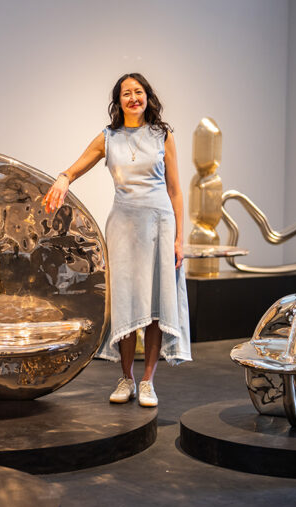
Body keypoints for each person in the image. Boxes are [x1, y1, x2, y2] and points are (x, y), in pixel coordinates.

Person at [43, 73, 192, 407]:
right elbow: (75, 168)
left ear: (147, 97)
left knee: (155, 306)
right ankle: (125, 379)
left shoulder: (162, 135)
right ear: (118, 100)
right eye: (126, 93)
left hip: (159, 224)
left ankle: (148, 381)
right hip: (123, 225)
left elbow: (176, 191)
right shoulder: (108, 137)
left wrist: (181, 238)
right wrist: (63, 179)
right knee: (125, 302)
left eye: (138, 92)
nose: (133, 98)